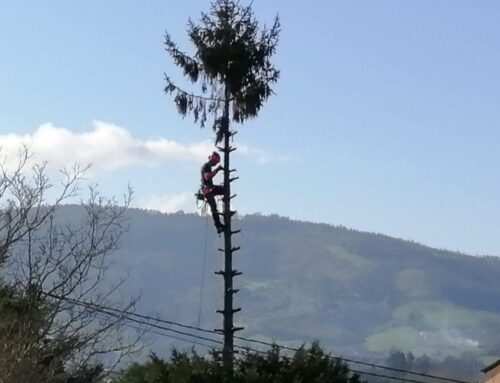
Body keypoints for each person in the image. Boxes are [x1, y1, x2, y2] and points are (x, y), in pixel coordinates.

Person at [201, 151, 225, 233]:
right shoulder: (206, 166)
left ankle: (219, 226)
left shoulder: (208, 166)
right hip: (207, 190)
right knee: (214, 208)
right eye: (216, 162)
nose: (216, 164)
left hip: (210, 188)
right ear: (213, 160)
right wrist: (217, 169)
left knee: (224, 190)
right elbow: (207, 177)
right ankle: (218, 226)